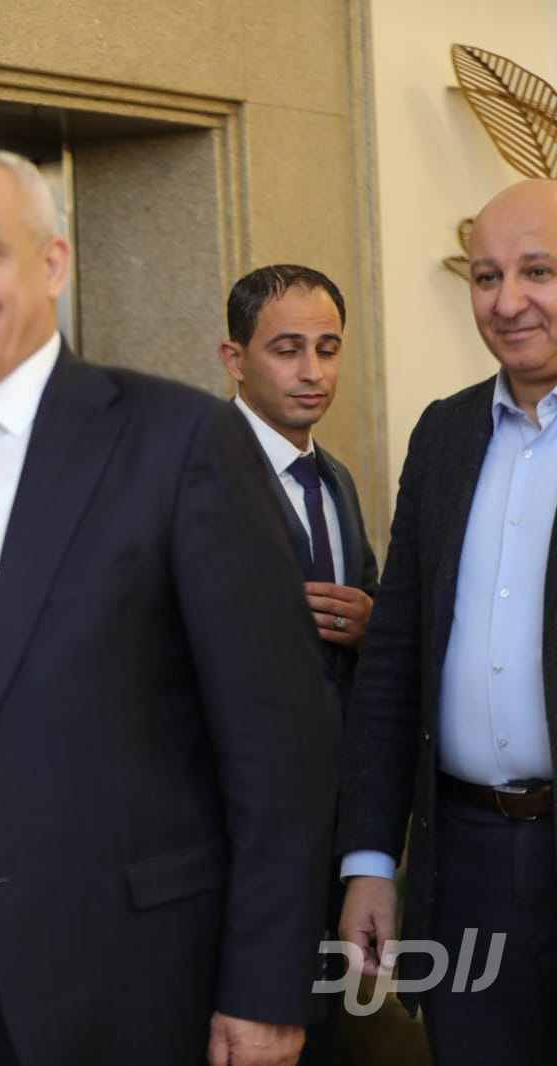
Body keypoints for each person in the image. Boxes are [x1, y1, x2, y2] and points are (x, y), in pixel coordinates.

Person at [0, 147, 336, 1066]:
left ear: (53, 263)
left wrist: (264, 987)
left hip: (135, 986)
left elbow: (278, 744)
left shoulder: (178, 441)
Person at [338, 178, 557, 1063]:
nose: (507, 302)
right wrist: (368, 862)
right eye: (486, 276)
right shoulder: (444, 434)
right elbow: (393, 660)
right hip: (462, 865)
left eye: (538, 271)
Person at [218, 264, 380, 1064]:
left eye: (328, 347)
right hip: (233, 848)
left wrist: (372, 624)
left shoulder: (336, 478)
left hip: (331, 840)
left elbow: (372, 616)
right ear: (235, 359)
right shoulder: (193, 476)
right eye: (287, 349)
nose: (312, 371)